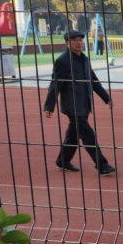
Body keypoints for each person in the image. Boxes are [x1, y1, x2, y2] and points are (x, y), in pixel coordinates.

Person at [43, 30, 115, 175]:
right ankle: (102, 165)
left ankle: (63, 160)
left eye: (80, 40)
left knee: (74, 134)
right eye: (74, 40)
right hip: (72, 106)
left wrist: (106, 97)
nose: (78, 42)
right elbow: (55, 84)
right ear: (67, 43)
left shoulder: (85, 59)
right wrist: (49, 106)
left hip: (84, 104)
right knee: (88, 134)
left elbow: (93, 80)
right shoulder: (63, 61)